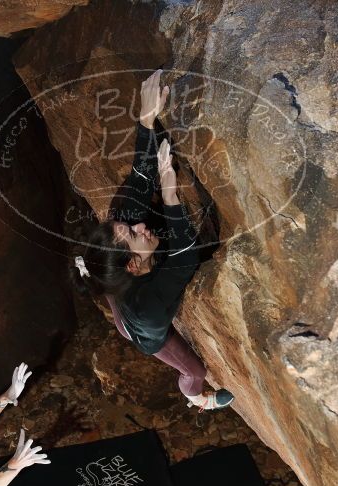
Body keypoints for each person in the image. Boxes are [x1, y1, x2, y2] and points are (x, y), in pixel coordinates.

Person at [72, 69, 233, 412]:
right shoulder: (150, 316)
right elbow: (184, 259)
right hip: (140, 330)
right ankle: (198, 400)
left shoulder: (120, 229)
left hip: (124, 284)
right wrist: (171, 196)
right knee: (194, 370)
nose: (141, 224)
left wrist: (146, 119)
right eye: (135, 234)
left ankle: (92, 274)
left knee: (111, 284)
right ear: (131, 263)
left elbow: (142, 176)